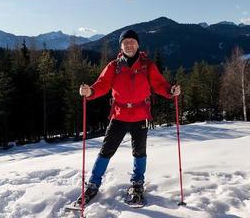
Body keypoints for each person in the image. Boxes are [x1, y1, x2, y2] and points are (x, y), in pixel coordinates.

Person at [76, 29, 181, 205]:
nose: (129, 45)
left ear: (138, 44)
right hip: (119, 115)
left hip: (140, 115)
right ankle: (93, 184)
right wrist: (90, 91)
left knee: (140, 152)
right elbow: (101, 85)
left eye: (132, 42)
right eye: (126, 42)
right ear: (121, 46)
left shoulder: (147, 65)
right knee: (106, 151)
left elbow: (159, 84)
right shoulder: (114, 66)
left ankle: (137, 183)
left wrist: (171, 91)